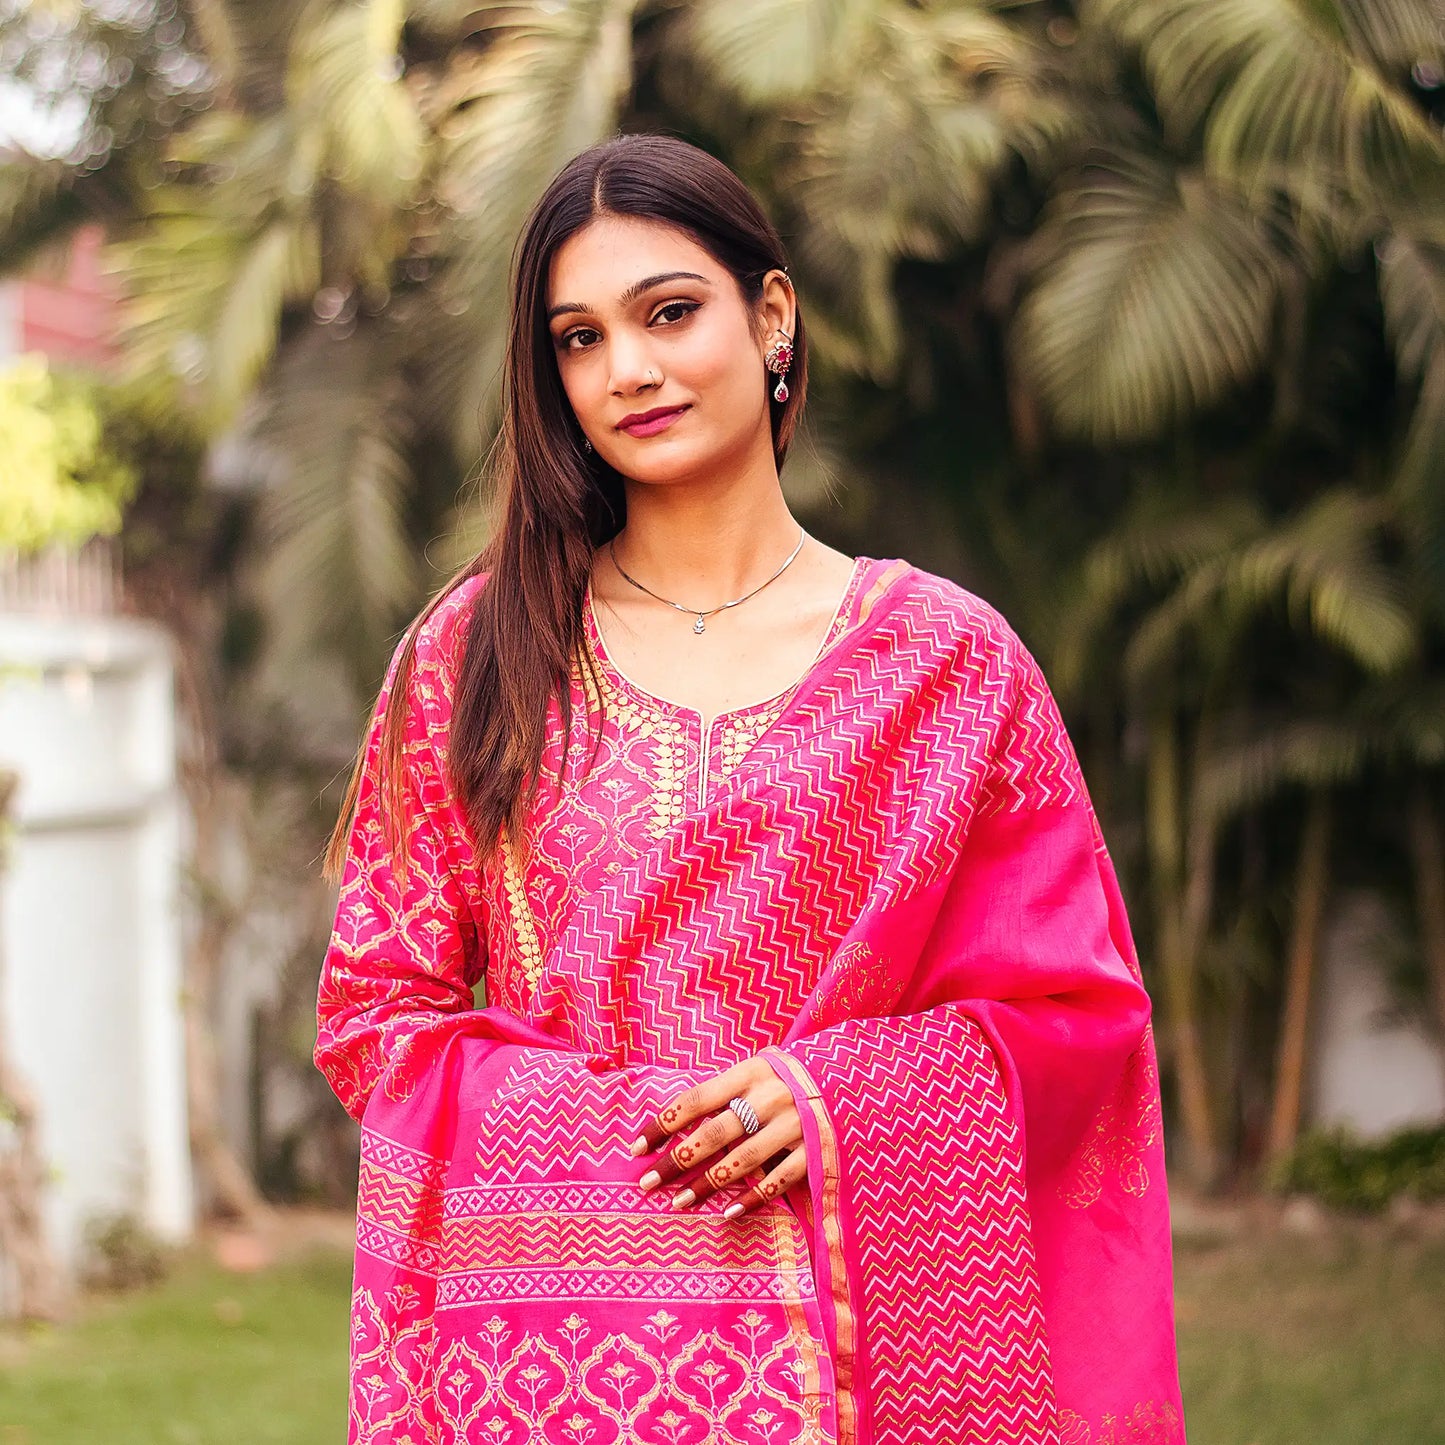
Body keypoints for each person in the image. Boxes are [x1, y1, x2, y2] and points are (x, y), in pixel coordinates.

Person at [314, 131, 1186, 1445]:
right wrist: (601, 1136)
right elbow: (378, 1012)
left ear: (770, 314)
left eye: (668, 312)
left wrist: (840, 1098)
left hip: (869, 1365)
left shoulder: (944, 664)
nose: (630, 370)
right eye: (578, 338)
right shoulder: (476, 653)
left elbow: (1077, 1020)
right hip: (560, 1367)